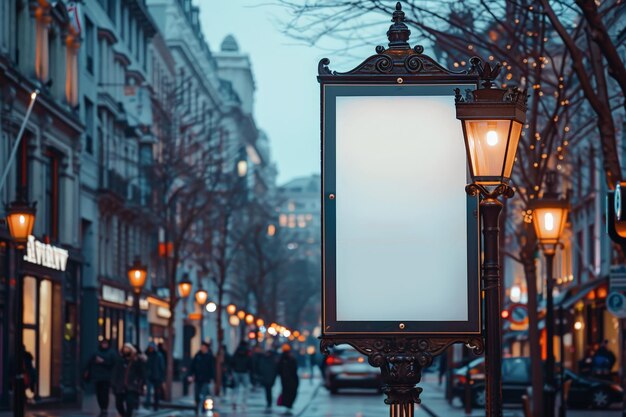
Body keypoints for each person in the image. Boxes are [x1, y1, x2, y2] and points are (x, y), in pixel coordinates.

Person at [111, 343, 144, 417]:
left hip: (132, 386)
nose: (126, 351)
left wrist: (139, 384)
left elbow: (142, 373)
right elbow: (115, 373)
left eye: (128, 349)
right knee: (118, 404)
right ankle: (123, 415)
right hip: (120, 386)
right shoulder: (119, 361)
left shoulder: (136, 362)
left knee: (130, 403)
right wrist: (113, 384)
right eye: (125, 349)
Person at [87, 339, 116, 417]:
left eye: (105, 343)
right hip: (97, 376)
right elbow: (90, 363)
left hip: (106, 377)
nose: (104, 345)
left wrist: (103, 362)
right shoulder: (96, 352)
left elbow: (113, 364)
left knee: (105, 393)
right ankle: (102, 408)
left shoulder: (111, 353)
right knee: (99, 393)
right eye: (103, 343)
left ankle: (104, 408)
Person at [187, 342, 215, 413]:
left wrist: (212, 378)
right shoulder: (197, 355)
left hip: (206, 379)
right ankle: (197, 408)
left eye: (204, 347)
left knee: (204, 395)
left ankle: (203, 409)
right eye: (202, 347)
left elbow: (212, 368)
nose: (202, 348)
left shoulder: (209, 356)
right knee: (197, 394)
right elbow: (192, 366)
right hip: (198, 379)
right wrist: (190, 375)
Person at [277, 344, 299, 415]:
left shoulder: (287, 359)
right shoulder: (285, 359)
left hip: (289, 379)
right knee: (289, 392)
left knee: (289, 392)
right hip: (287, 379)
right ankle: (288, 404)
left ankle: (288, 404)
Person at [143, 342, 165, 411]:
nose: (151, 349)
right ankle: (148, 405)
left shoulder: (159, 355)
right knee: (148, 392)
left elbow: (162, 367)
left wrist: (161, 377)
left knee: (156, 393)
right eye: (150, 347)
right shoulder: (146, 355)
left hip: (157, 377)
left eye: (152, 347)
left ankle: (155, 406)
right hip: (149, 376)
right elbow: (144, 366)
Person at [257, 346, 279, 411]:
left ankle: (269, 402)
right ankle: (269, 401)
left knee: (268, 390)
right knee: (268, 390)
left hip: (269, 378)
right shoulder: (265, 360)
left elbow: (274, 370)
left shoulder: (270, 360)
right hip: (266, 377)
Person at [231, 341, 251, 409]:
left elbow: (232, 361)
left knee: (236, 387)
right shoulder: (247, 351)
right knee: (246, 388)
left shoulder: (236, 351)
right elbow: (250, 361)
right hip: (244, 371)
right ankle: (244, 402)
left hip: (236, 371)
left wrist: (233, 369)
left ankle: (234, 400)